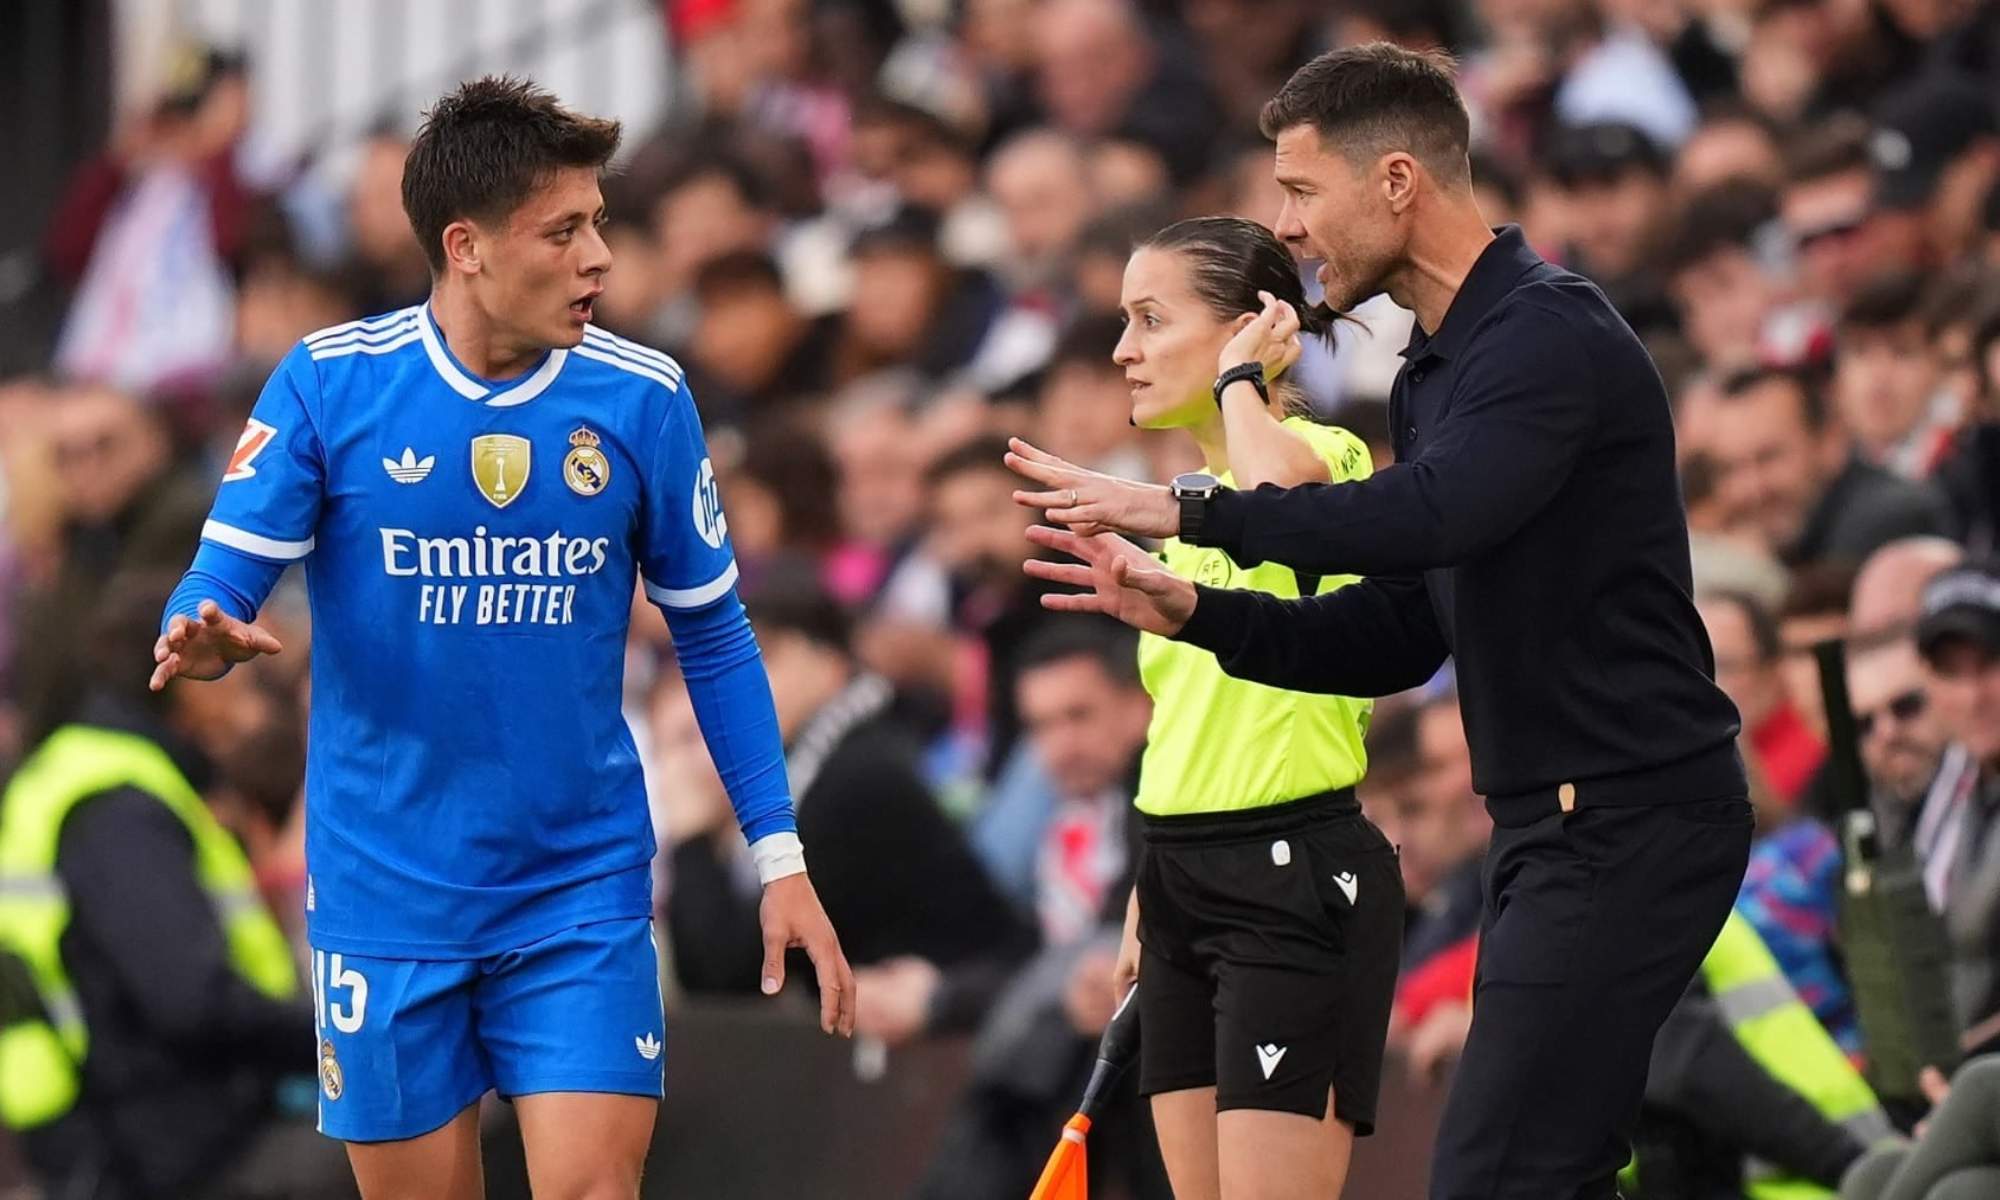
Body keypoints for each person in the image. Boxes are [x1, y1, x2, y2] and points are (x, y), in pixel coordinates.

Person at [1006, 44, 1752, 1199]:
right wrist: (1189, 606)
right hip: (1551, 824)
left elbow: (1428, 512)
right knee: (1547, 1167)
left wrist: (1181, 508)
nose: (1287, 228)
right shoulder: (1435, 371)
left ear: (1395, 181)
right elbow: (1396, 633)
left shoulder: (1545, 334)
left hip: (1627, 812)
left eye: (1301, 192)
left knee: (1500, 1174)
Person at [146, 78, 852, 1200]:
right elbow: (219, 575)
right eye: (564, 229)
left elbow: (713, 639)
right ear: (465, 246)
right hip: (386, 890)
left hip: (575, 885)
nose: (601, 258)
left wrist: (779, 855)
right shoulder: (331, 383)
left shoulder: (643, 400)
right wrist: (208, 627)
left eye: (601, 222)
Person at [1026, 213, 1402, 1200]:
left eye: (1150, 319)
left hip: (1292, 876)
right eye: (1121, 320)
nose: (1122, 350)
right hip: (1180, 877)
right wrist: (1148, 893)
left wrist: (1242, 382)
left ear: (1250, 328)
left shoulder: (1327, 456)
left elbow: (1276, 501)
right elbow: (1183, 721)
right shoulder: (1181, 503)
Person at [0, 572, 352, 1199]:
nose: (248, 674)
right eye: (230, 660)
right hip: (168, 1149)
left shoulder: (99, 770)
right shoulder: (114, 801)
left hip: (157, 1128)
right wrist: (332, 1043)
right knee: (421, 1144)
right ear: (183, 673)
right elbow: (190, 1000)